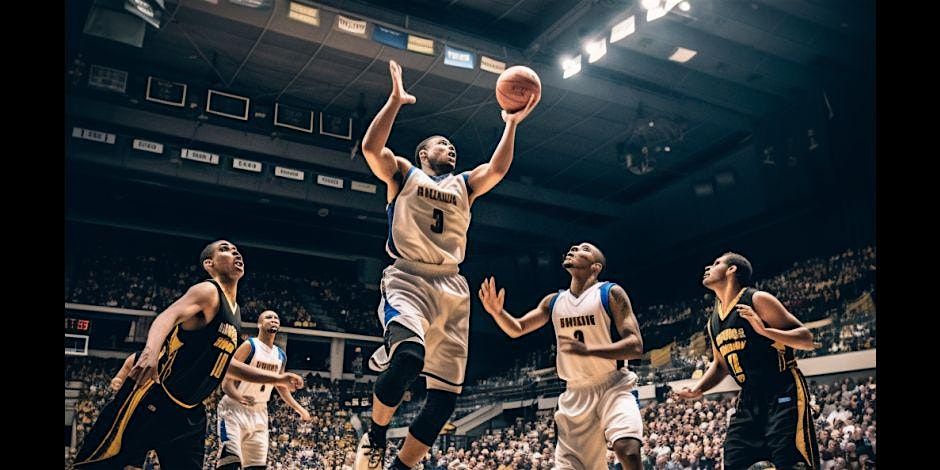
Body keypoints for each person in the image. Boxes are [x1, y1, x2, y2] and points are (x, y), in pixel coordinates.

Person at [354, 59, 539, 470]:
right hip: (409, 276)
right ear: (423, 154)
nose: (450, 148)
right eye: (442, 144)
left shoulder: (465, 184)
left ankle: (401, 467)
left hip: (452, 286)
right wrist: (395, 101)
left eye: (452, 146)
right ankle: (377, 435)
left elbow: (498, 169)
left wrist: (511, 124)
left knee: (445, 400)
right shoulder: (404, 174)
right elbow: (371, 149)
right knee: (409, 358)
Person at [74, 240, 303, 469]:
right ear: (209, 264)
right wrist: (150, 354)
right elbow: (168, 316)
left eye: (236, 250)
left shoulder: (235, 313)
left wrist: (278, 379)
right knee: (106, 463)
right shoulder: (208, 291)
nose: (235, 252)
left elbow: (226, 364)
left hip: (189, 413)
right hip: (156, 398)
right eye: (225, 249)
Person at [479, 242, 644, 469]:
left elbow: (635, 345)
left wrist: (590, 351)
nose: (574, 249)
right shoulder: (553, 301)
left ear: (596, 267)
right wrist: (498, 313)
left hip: (613, 385)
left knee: (628, 450)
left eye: (585, 249)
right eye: (574, 248)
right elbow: (517, 328)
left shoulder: (610, 293)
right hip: (575, 391)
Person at [677, 252, 819, 469]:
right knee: (734, 460)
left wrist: (765, 331)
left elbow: (807, 339)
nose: (708, 267)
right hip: (749, 399)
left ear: (732, 269)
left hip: (781, 388)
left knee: (791, 463)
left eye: (716, 263)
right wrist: (698, 389)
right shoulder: (713, 322)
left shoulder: (757, 299)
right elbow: (721, 365)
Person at [216, 310, 311, 469]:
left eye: (276, 317)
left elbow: (281, 386)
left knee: (256, 466)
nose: (273, 319)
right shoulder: (250, 345)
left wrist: (299, 409)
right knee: (230, 461)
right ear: (259, 324)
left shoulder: (280, 355)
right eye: (268, 317)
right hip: (234, 409)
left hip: (260, 412)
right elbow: (226, 381)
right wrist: (239, 397)